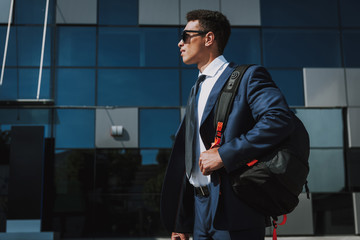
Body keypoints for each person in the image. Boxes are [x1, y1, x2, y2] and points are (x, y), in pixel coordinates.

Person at [160, 9, 295, 240]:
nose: (179, 43)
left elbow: (279, 118)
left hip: (235, 207)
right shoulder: (196, 90)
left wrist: (224, 154)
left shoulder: (248, 77)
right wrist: (182, 221)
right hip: (199, 209)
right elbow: (189, 156)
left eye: (185, 36)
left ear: (208, 38)